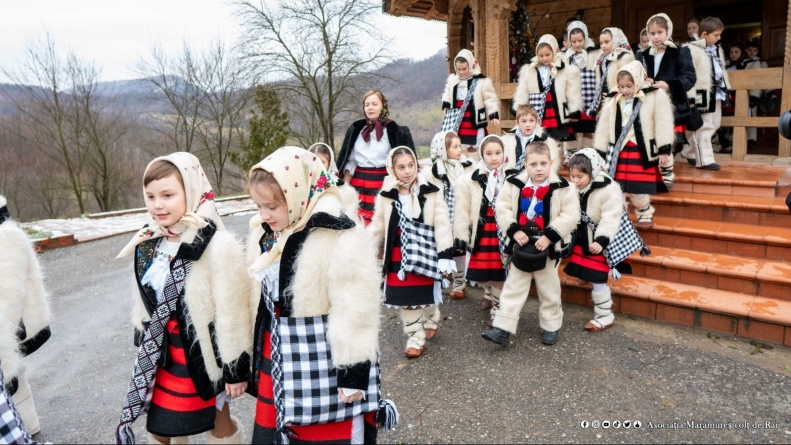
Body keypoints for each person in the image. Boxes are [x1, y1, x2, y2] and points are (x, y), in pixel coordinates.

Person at [246, 147, 394, 443]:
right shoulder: (269, 234)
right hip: (278, 356)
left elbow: (355, 306)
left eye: (272, 206)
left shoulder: (341, 234)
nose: (263, 215)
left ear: (297, 193)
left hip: (324, 361)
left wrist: (352, 371)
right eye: (259, 206)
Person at [115, 153, 250, 445]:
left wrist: (235, 368)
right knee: (161, 427)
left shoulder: (215, 243)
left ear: (190, 191)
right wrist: (143, 339)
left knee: (217, 419)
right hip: (165, 357)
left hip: (204, 357)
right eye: (150, 196)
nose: (157, 204)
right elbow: (143, 299)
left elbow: (233, 311)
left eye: (167, 194)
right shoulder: (149, 240)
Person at [481, 141, 580, 347]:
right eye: (533, 164)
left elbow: (570, 215)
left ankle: (551, 326)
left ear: (551, 163)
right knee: (513, 286)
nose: (539, 168)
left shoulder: (564, 188)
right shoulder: (514, 184)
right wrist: (514, 230)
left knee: (548, 288)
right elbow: (503, 208)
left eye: (543, 163)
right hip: (522, 245)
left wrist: (550, 236)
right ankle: (503, 329)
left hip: (547, 247)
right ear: (525, 165)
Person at [370, 146, 455, 359]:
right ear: (392, 169)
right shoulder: (386, 194)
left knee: (425, 295)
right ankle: (415, 337)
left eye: (411, 165)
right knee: (405, 299)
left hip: (426, 251)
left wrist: (445, 255)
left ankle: (431, 315)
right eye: (401, 167)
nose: (407, 171)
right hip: (399, 254)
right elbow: (378, 224)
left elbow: (442, 223)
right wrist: (367, 248)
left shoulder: (430, 190)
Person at [593, 61, 674, 229]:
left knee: (638, 187)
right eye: (621, 86)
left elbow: (663, 122)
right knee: (617, 188)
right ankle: (619, 220)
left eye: (629, 86)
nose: (625, 90)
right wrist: (599, 151)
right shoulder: (614, 98)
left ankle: (645, 213)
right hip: (618, 151)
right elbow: (604, 126)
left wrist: (664, 149)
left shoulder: (655, 95)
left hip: (641, 149)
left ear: (637, 80)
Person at [0, 195, 51, 437]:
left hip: (10, 321)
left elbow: (9, 294)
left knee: (12, 374)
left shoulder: (5, 235)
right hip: (8, 321)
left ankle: (25, 428)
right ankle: (25, 427)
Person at [563, 149, 625, 332]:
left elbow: (611, 217)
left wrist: (602, 240)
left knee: (598, 277)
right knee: (586, 268)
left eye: (580, 176)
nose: (575, 180)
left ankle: (605, 314)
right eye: (572, 176)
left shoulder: (609, 188)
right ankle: (584, 276)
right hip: (582, 237)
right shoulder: (575, 187)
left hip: (598, 241)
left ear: (593, 171)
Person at [336, 90, 415, 225]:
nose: (370, 108)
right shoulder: (356, 130)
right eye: (367, 105)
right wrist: (344, 188)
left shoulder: (394, 131)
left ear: (383, 106)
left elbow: (403, 160)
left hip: (382, 184)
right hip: (358, 185)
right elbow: (350, 161)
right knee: (356, 223)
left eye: (374, 104)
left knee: (380, 224)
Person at [454, 135, 510, 324]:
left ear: (504, 153)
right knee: (481, 273)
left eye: (498, 153)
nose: (494, 158)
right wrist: (461, 238)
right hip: (481, 232)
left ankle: (496, 306)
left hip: (502, 232)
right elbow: (462, 211)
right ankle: (487, 290)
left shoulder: (512, 176)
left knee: (499, 270)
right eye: (489, 153)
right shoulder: (469, 180)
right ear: (481, 155)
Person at [636, 13, 697, 188]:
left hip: (672, 103)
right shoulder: (642, 55)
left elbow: (689, 77)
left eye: (659, 32)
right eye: (652, 33)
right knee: (650, 136)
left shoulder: (680, 52)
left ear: (668, 31)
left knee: (666, 138)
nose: (655, 37)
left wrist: (669, 85)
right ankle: (653, 172)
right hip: (647, 104)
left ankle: (667, 172)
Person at [424, 131, 475, 300]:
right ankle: (438, 280)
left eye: (460, 146)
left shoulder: (467, 166)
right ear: (442, 149)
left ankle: (459, 284)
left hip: (461, 215)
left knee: (460, 249)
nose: (460, 150)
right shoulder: (433, 171)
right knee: (443, 247)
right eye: (455, 147)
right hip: (443, 216)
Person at [514, 34, 581, 143]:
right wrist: (518, 107)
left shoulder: (565, 69)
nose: (544, 58)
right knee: (539, 137)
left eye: (547, 55)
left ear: (555, 51)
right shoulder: (530, 70)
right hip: (537, 107)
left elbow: (572, 91)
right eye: (541, 55)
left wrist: (574, 110)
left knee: (555, 137)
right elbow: (523, 89)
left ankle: (555, 157)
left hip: (555, 109)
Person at [683, 16, 729, 170]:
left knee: (714, 124)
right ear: (704, 34)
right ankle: (704, 160)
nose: (719, 38)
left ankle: (688, 152)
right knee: (704, 126)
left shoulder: (716, 48)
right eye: (716, 35)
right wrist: (690, 95)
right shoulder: (691, 49)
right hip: (701, 93)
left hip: (716, 92)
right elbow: (688, 74)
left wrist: (725, 87)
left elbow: (719, 69)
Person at [441, 49, 501, 158]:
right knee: (456, 140)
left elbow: (489, 98)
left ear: (470, 65)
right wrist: (446, 104)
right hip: (457, 116)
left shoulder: (481, 81)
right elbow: (448, 93)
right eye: (458, 69)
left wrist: (493, 114)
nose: (461, 72)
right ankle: (460, 163)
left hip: (473, 116)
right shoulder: (453, 80)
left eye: (464, 69)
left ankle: (474, 163)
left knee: (473, 142)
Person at [563, 20, 602, 157]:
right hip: (574, 99)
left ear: (585, 37)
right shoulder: (567, 57)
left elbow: (599, 75)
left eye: (580, 40)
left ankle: (586, 154)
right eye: (574, 42)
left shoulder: (595, 53)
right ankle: (570, 155)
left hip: (590, 97)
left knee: (587, 129)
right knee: (572, 129)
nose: (577, 44)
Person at [502, 104, 560, 176]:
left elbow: (552, 162)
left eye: (531, 121)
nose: (528, 124)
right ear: (517, 123)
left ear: (536, 121)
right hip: (512, 176)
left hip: (535, 177)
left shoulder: (545, 141)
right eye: (524, 121)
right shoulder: (507, 140)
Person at [590, 27, 635, 117]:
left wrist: (612, 95)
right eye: (601, 43)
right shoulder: (601, 58)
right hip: (604, 99)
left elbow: (627, 81)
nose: (603, 45)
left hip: (620, 98)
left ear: (616, 40)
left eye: (607, 42)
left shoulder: (625, 57)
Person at [308, 142, 360, 219]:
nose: (318, 165)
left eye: (322, 162)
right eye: (313, 161)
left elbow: (351, 218)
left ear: (330, 164)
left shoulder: (343, 189)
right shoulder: (305, 186)